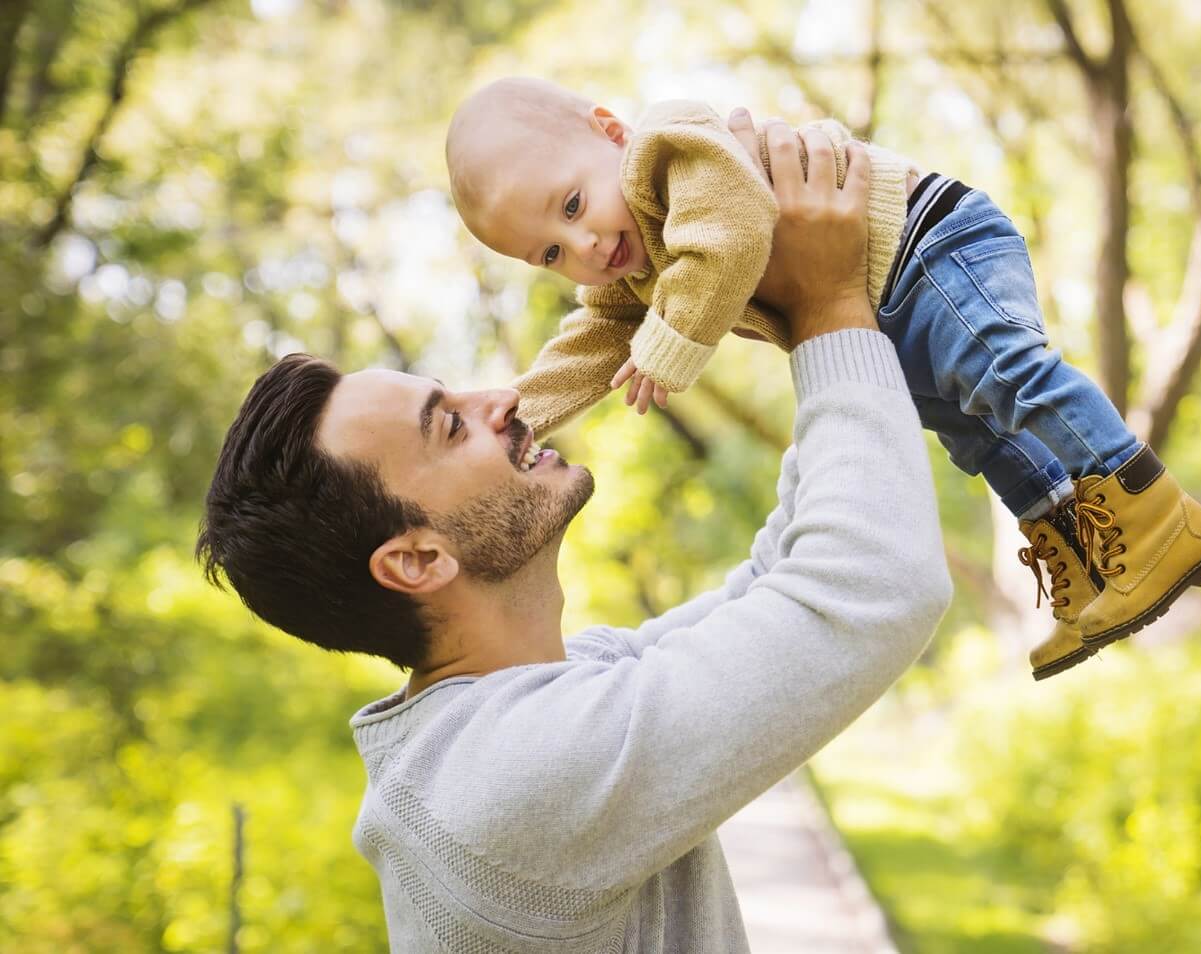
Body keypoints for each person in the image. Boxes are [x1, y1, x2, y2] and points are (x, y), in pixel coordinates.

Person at [196, 116, 952, 952]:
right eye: (449, 427)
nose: (500, 401)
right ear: (415, 559)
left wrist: (800, 294)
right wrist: (829, 305)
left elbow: (780, 581)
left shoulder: (537, 705)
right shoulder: (518, 775)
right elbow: (870, 587)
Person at [445, 78, 1201, 679]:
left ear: (608, 132)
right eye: (549, 251)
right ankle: (1085, 555)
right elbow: (593, 337)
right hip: (881, 309)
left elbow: (729, 236)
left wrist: (671, 342)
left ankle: (1149, 507)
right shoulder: (634, 264)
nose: (581, 244)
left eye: (574, 203)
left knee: (1005, 374)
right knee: (976, 435)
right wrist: (518, 415)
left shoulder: (668, 149)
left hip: (927, 248)